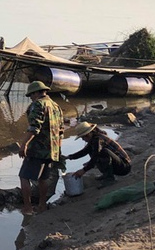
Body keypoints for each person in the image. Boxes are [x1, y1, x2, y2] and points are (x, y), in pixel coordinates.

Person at [17, 80, 64, 215]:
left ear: (37, 92)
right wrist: (58, 150)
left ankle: (27, 208)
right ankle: (42, 205)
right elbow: (61, 130)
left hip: (38, 149)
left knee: (24, 176)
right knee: (43, 178)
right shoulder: (56, 106)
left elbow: (34, 128)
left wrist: (24, 144)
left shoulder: (38, 104)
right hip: (51, 149)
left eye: (31, 95)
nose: (31, 97)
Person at [66, 121, 131, 186]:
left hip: (124, 167)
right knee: (92, 151)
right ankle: (106, 174)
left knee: (103, 152)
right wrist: (69, 157)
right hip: (117, 165)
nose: (83, 140)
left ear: (88, 134)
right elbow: (84, 151)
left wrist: (83, 170)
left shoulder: (98, 139)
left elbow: (95, 156)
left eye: (83, 137)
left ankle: (109, 178)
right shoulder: (93, 139)